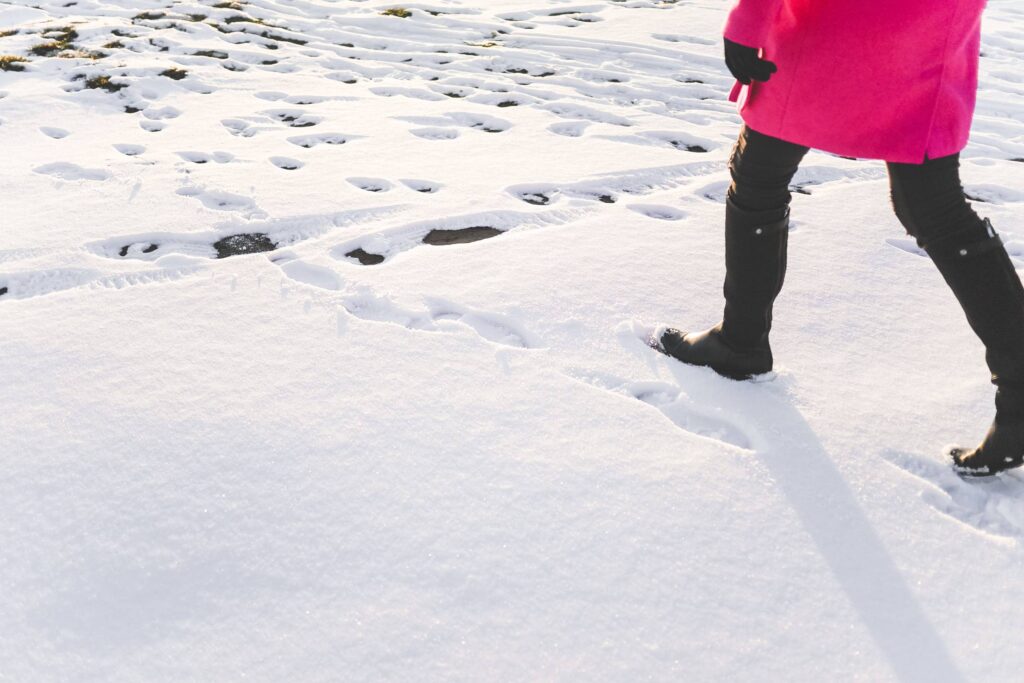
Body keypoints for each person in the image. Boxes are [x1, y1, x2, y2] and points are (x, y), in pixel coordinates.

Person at [653, 0, 1024, 477]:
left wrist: (750, 17)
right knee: (933, 209)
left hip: (835, 24)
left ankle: (740, 344)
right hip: (925, 29)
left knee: (761, 176)